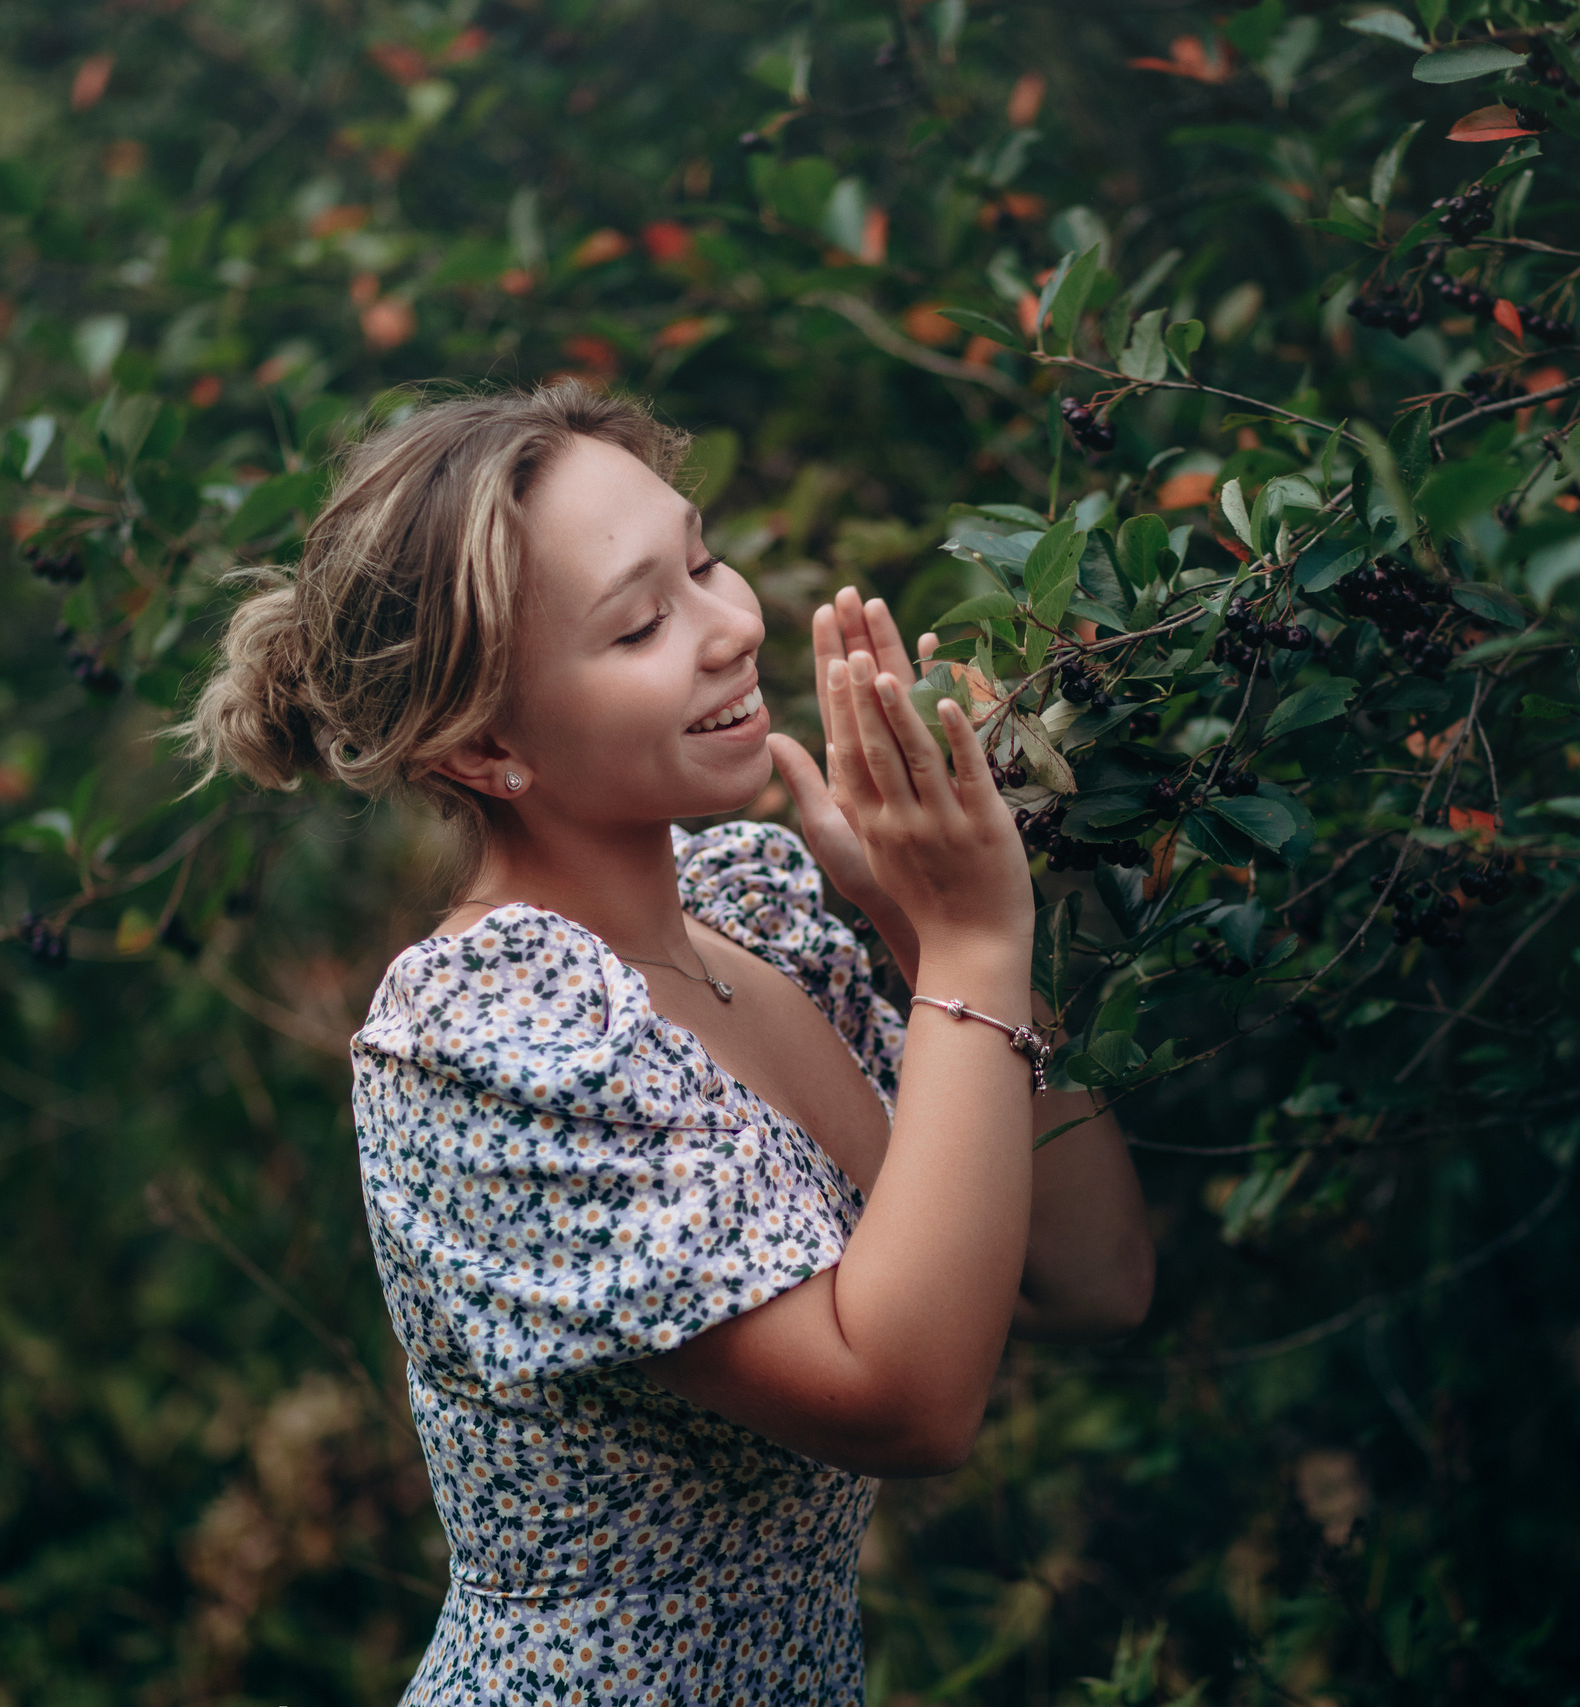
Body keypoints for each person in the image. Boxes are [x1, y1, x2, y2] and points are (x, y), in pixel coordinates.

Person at [183, 380, 1153, 1704]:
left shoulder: (757, 911)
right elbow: (909, 1403)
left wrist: (922, 933)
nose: (733, 626)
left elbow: (1092, 1280)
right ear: (486, 748)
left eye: (702, 562)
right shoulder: (486, 1041)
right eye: (641, 623)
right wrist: (979, 938)